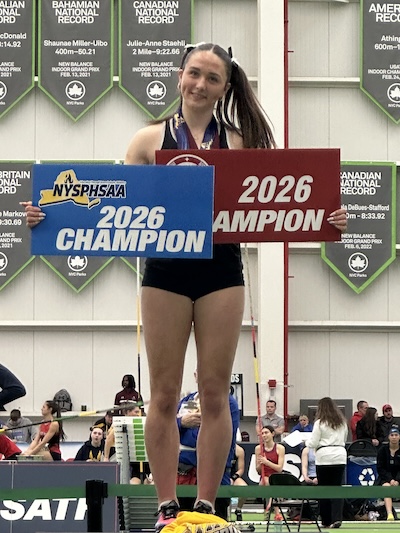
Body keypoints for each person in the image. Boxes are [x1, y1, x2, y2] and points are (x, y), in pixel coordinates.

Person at [23, 42, 347, 530]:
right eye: (194, 73)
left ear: (225, 87)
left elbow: (283, 199)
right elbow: (109, 204)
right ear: (179, 76)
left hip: (221, 272)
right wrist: (48, 216)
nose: (200, 84)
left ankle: (208, 507)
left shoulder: (239, 142)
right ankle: (167, 507)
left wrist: (328, 216)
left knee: (215, 394)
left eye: (212, 78)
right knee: (163, 395)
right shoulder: (147, 140)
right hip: (165, 273)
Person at [176, 371, 240, 520]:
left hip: (215, 478)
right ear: (195, 375)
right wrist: (181, 422)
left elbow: (221, 439)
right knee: (183, 523)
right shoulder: (187, 400)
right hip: (183, 478)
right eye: (200, 372)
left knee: (212, 524)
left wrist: (187, 433)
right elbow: (168, 430)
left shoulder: (227, 403)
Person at [306, 397, 348, 529]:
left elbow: (313, 443)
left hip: (324, 457)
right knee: (337, 488)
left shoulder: (319, 423)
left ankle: (326, 520)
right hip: (340, 456)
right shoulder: (342, 422)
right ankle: (337, 518)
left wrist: (306, 442)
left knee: (324, 489)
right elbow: (345, 438)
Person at [104, 404, 152, 484]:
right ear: (128, 412)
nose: (138, 414)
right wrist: (106, 457)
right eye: (136, 412)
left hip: (142, 458)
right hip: (123, 456)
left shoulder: (141, 422)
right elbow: (109, 440)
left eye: (139, 412)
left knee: (147, 480)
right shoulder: (119, 423)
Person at [255, 425, 285, 520]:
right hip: (265, 477)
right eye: (262, 433)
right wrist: (260, 464)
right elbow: (258, 471)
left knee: (270, 483)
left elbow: (279, 468)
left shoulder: (280, 448)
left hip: (277, 477)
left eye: (266, 433)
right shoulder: (258, 449)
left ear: (272, 434)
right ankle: (275, 511)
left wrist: (267, 462)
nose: (264, 435)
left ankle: (270, 509)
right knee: (266, 482)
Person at [377, 426, 400, 521]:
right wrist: (390, 480)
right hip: (386, 480)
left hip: (398, 479)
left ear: (399, 437)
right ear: (389, 437)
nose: (394, 437)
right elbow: (380, 468)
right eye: (392, 435)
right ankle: (390, 514)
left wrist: (397, 480)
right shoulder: (382, 450)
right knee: (386, 487)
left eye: (396, 435)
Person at [231, 444, 249, 522]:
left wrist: (233, 478)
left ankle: (238, 509)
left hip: (232, 476)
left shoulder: (239, 450)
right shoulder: (218, 447)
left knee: (244, 489)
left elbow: (241, 470)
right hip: (219, 477)